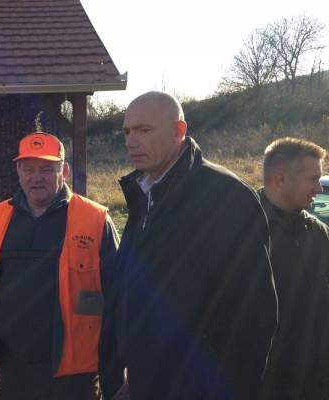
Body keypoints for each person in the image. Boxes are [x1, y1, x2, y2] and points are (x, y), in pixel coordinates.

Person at [110, 92, 277, 400]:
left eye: (144, 130)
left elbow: (253, 316)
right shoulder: (144, 194)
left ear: (178, 131)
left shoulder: (225, 196)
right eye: (127, 131)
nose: (131, 141)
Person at [0, 132, 122, 400]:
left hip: (75, 372)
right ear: (18, 171)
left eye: (47, 169)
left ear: (64, 171)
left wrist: (115, 371)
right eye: (29, 169)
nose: (36, 177)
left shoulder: (95, 219)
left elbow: (118, 298)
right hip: (14, 367)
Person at [258, 137, 329, 400]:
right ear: (280, 179)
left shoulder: (318, 232)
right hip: (264, 382)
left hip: (314, 379)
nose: (319, 188)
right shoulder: (243, 228)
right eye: (313, 179)